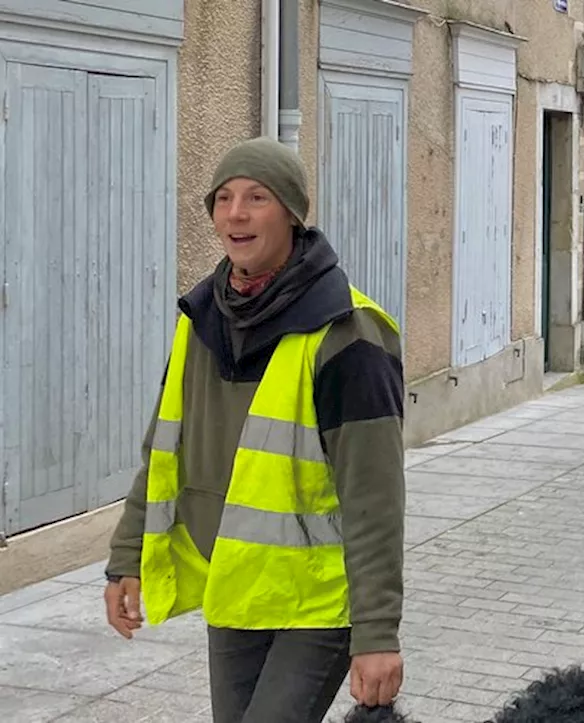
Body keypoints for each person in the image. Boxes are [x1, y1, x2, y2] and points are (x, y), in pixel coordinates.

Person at [102, 137, 407, 723]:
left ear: (291, 213)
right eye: (223, 198)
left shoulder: (347, 334)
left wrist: (376, 633)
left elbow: (375, 498)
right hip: (235, 591)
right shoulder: (201, 321)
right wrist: (126, 559)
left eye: (256, 197)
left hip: (316, 605)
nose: (235, 213)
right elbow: (163, 451)